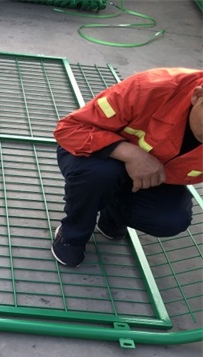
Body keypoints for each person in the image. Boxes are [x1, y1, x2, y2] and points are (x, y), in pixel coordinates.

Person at [51, 67, 203, 267]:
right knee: (99, 175)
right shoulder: (150, 89)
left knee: (171, 219)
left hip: (152, 180)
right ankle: (72, 234)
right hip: (94, 156)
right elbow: (70, 129)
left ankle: (112, 217)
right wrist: (130, 153)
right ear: (197, 96)